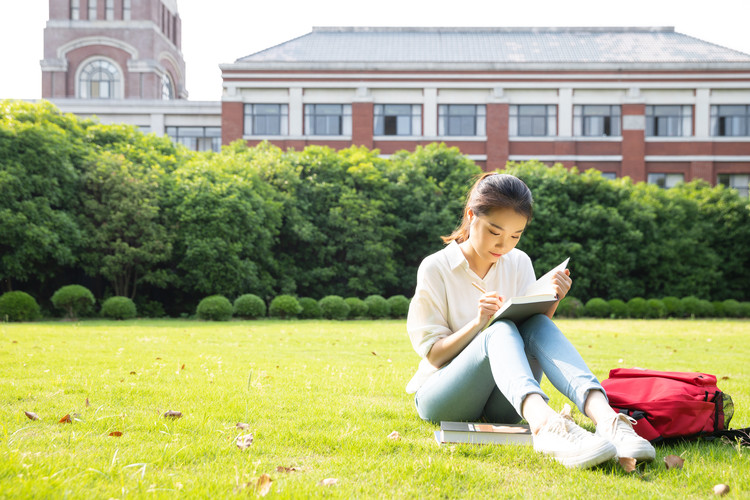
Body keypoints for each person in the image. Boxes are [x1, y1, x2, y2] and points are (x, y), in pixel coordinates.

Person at [405, 172, 655, 469]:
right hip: (443, 397)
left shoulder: (519, 262)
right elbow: (433, 354)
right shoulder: (437, 267)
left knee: (538, 324)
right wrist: (478, 323)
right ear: (472, 216)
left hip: (506, 401)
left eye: (515, 235)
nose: (503, 245)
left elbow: (532, 333)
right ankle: (546, 426)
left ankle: (608, 420)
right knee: (498, 329)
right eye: (495, 232)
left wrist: (553, 299)